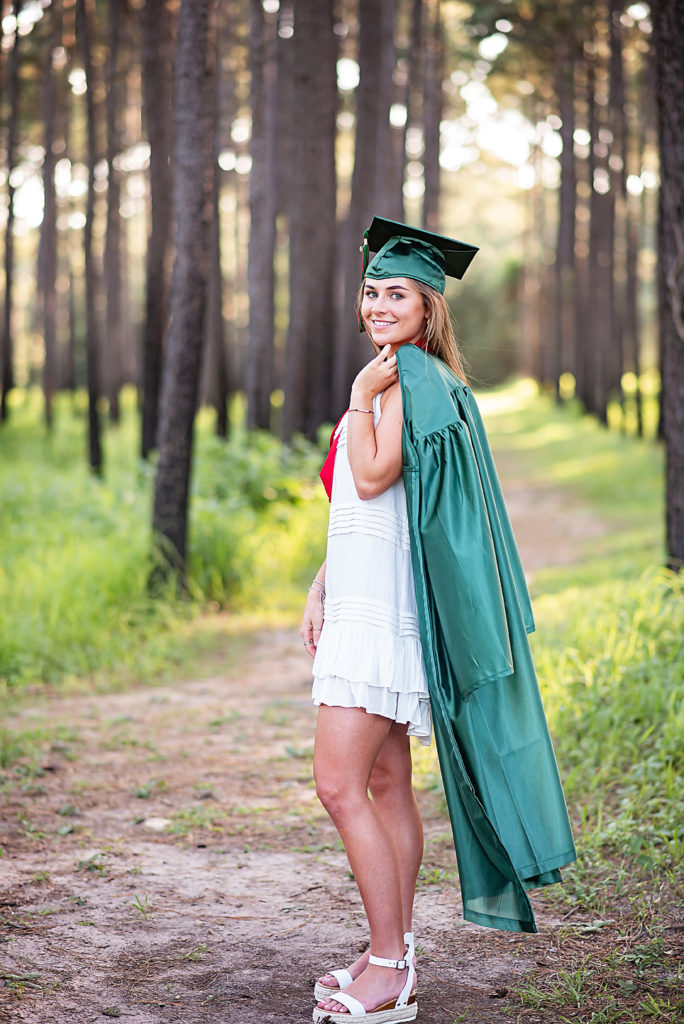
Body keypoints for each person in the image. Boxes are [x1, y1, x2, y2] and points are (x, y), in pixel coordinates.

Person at [300, 217, 576, 1024]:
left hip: (381, 618)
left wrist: (357, 398)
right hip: (365, 599)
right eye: (372, 291)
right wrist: (321, 583)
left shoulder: (405, 379)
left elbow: (377, 474)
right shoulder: (408, 375)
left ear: (428, 308)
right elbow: (369, 510)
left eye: (398, 294)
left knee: (337, 784)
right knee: (385, 785)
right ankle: (393, 948)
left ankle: (390, 969)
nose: (380, 304)